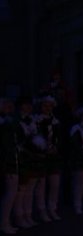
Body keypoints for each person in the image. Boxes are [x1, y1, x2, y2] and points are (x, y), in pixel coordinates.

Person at [33, 92, 62, 221]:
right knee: (41, 184)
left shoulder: (56, 122)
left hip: (53, 156)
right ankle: (41, 210)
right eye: (45, 105)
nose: (47, 108)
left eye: (50, 106)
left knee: (55, 183)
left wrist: (56, 147)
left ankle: (52, 208)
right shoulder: (36, 120)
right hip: (40, 156)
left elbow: (59, 137)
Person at [13, 96, 39, 227]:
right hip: (22, 157)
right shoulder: (16, 122)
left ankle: (28, 214)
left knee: (30, 188)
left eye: (29, 105)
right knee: (21, 189)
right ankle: (19, 215)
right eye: (25, 105)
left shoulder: (33, 121)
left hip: (32, 157)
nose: (28, 107)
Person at [1, 97, 20, 235]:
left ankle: (6, 221)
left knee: (11, 192)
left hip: (12, 160)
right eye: (6, 106)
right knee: (9, 192)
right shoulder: (4, 125)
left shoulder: (9, 122)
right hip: (6, 162)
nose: (10, 108)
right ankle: (4, 222)